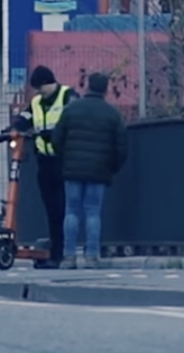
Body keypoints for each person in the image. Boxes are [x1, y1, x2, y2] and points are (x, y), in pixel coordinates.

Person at [51, 72, 129, 269]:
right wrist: (112, 167)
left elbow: (56, 140)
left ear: (87, 86)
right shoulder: (112, 114)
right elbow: (121, 147)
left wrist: (66, 160)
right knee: (93, 212)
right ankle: (92, 256)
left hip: (72, 170)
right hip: (99, 171)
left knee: (71, 211)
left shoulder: (71, 110)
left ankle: (69, 257)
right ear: (105, 89)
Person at [13, 65, 74, 269]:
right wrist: (10, 130)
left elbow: (73, 121)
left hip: (64, 161)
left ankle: (62, 253)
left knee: (63, 210)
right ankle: (56, 252)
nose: (39, 92)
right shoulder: (36, 103)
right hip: (45, 163)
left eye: (40, 87)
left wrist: (54, 134)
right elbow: (24, 119)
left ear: (49, 82)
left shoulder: (68, 96)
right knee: (52, 211)